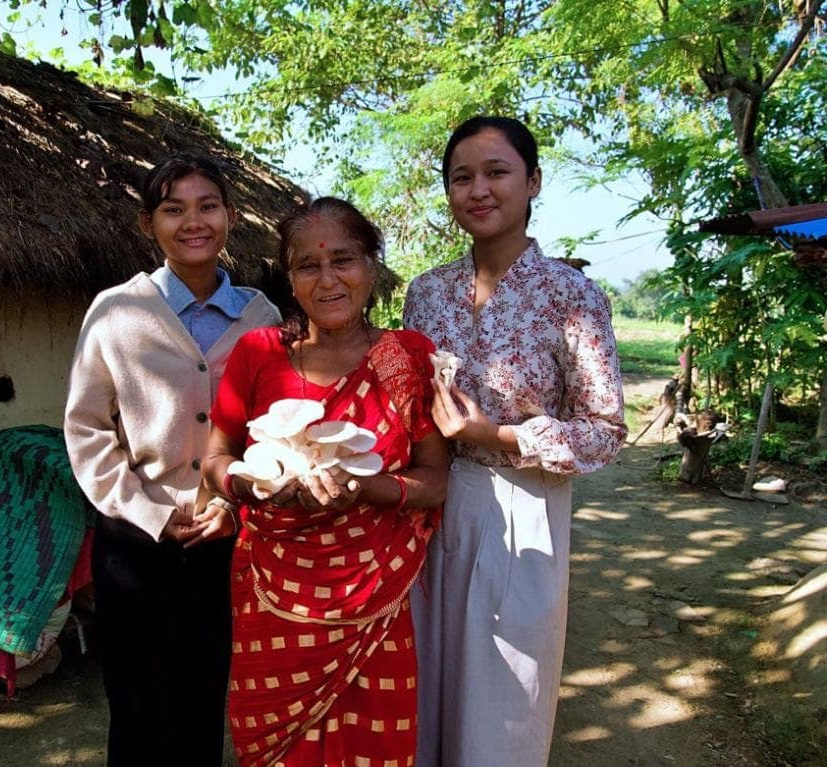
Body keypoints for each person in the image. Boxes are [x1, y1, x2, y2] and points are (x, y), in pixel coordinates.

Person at [404, 116, 627, 767]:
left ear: (533, 180)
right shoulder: (426, 294)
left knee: (502, 703)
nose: (478, 189)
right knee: (427, 689)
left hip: (526, 507)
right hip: (434, 511)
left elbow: (604, 432)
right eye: (461, 176)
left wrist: (496, 434)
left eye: (496, 172)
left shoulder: (573, 296)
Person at [202, 197, 450, 766]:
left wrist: (367, 488)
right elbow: (216, 459)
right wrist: (253, 485)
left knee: (376, 743)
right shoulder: (258, 353)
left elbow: (435, 481)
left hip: (376, 598)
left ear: (371, 266)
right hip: (275, 596)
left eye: (344, 259)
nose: (328, 279)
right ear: (290, 278)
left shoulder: (406, 358)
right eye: (309, 266)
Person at [63, 152, 281, 766]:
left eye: (207, 206)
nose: (193, 222)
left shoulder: (261, 317)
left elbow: (273, 432)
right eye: (173, 209)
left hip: (230, 537)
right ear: (147, 224)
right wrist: (147, 512)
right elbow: (86, 429)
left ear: (231, 217)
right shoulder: (115, 313)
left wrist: (236, 505)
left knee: (208, 692)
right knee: (138, 699)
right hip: (136, 540)